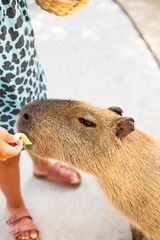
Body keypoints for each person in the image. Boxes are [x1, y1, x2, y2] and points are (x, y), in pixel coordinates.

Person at [0, 0, 81, 239]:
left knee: (34, 118)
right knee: (7, 153)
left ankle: (41, 166)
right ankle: (15, 205)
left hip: (18, 56)